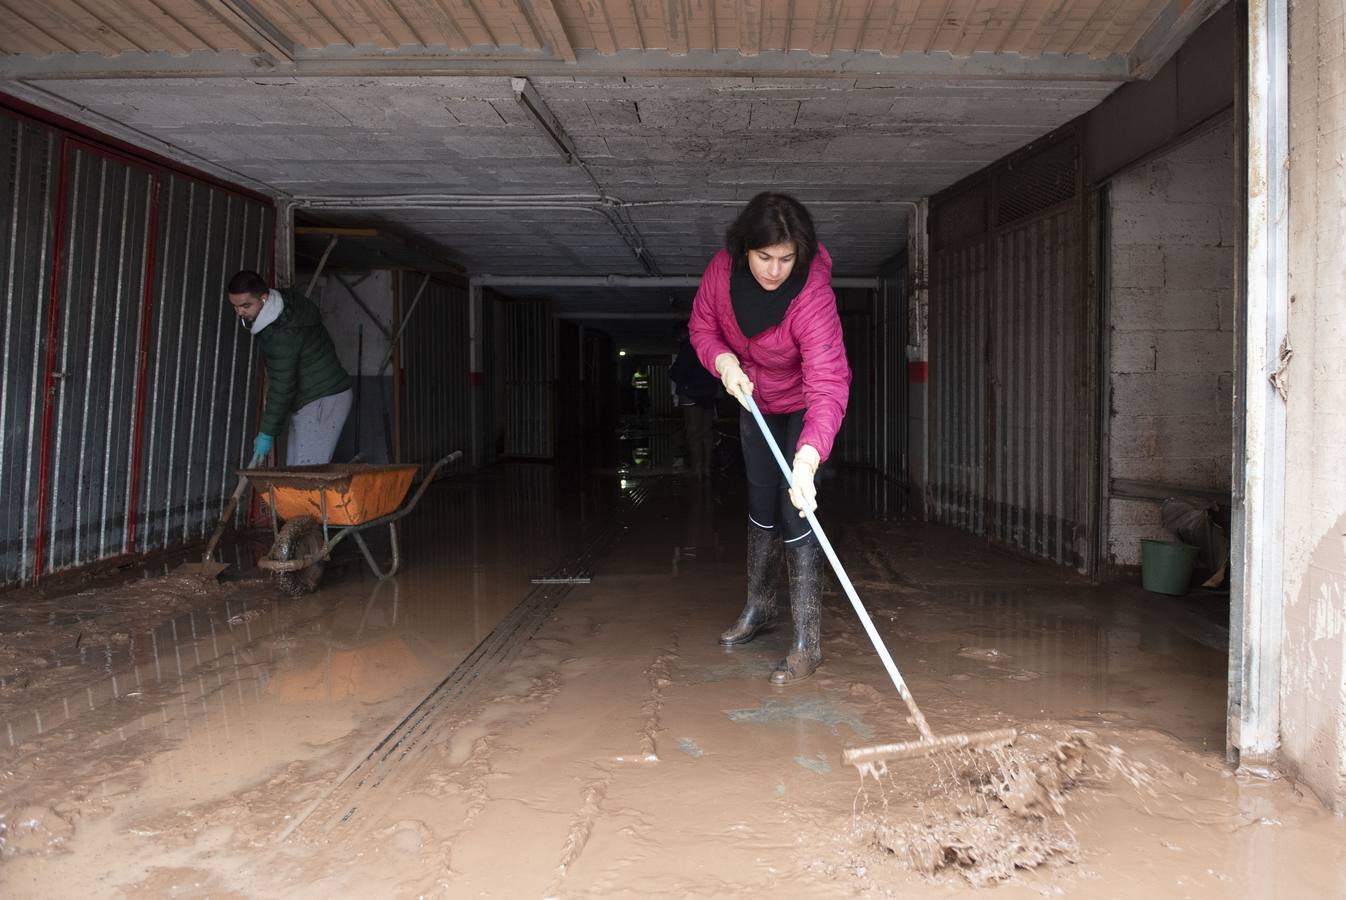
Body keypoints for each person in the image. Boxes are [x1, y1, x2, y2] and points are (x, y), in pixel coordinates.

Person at [689, 192, 850, 685]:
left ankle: (807, 643)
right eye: (764, 257)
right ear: (745, 249)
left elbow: (828, 383)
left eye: (786, 258)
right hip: (753, 398)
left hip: (802, 402)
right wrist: (722, 360)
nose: (775, 271)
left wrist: (808, 460)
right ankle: (759, 608)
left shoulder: (812, 298)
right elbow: (702, 326)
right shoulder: (721, 272)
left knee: (795, 506)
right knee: (761, 503)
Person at [226, 270, 353, 466]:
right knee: (295, 471)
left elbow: (281, 386)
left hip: (322, 399)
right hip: (313, 398)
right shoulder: (282, 307)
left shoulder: (282, 333)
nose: (240, 312)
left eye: (246, 306)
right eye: (235, 307)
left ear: (263, 298)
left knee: (306, 474)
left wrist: (266, 434)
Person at [669, 322, 720, 478]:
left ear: (682, 335)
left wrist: (674, 374)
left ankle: (697, 470)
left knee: (694, 432)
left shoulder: (687, 348)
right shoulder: (706, 345)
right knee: (706, 432)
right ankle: (706, 468)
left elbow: (678, 372)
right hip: (708, 394)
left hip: (691, 393)